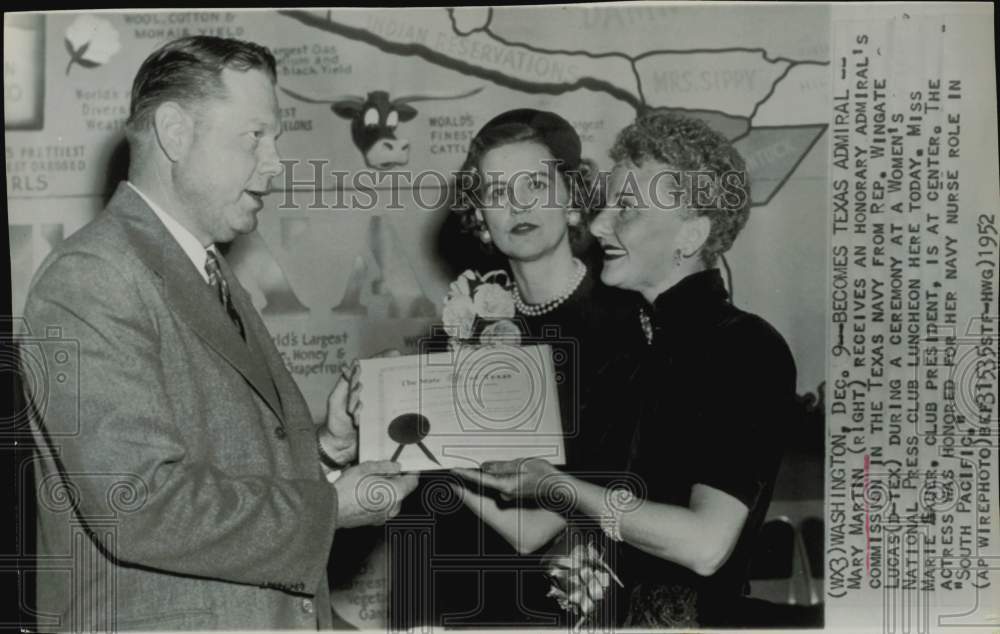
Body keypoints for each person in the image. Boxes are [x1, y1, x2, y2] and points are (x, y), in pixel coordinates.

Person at [22, 36, 416, 632]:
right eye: (254, 136)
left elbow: (222, 461)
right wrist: (333, 507)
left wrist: (329, 452)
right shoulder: (92, 276)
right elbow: (139, 503)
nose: (276, 162)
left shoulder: (200, 266)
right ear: (175, 133)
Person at [459, 110, 798, 628]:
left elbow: (705, 544)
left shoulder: (746, 348)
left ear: (692, 234)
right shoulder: (631, 355)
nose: (598, 225)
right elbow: (531, 530)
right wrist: (414, 444)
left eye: (627, 210)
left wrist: (560, 485)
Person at [390, 108, 642, 628]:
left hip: (578, 608)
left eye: (535, 184)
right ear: (480, 217)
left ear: (572, 199)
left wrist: (411, 437)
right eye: (497, 191)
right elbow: (429, 516)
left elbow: (539, 527)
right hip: (463, 603)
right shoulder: (456, 334)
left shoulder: (627, 329)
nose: (518, 205)